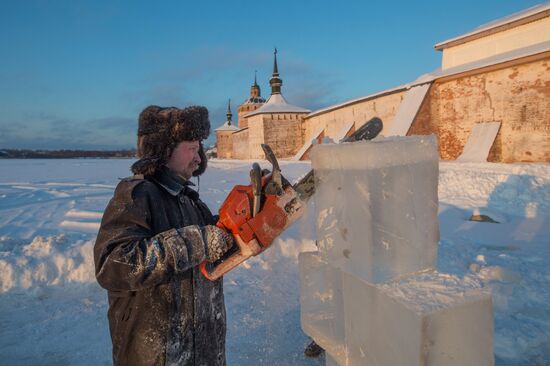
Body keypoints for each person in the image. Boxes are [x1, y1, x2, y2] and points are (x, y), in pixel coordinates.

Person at [94, 105, 234, 366]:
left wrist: (251, 218)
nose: (199, 158)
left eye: (199, 149)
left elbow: (218, 246)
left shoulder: (191, 202)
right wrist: (197, 242)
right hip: (157, 356)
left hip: (203, 355)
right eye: (192, 148)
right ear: (162, 150)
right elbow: (112, 264)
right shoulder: (136, 196)